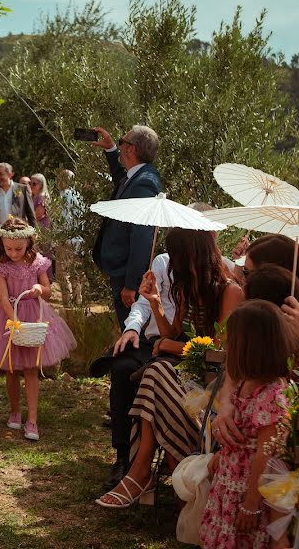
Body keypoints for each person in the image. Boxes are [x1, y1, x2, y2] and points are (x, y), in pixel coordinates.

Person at [96, 227, 243, 508]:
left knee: (153, 373)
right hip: (183, 373)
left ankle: (140, 473)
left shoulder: (229, 290)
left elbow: (218, 350)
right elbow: (172, 333)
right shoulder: (188, 286)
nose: (171, 263)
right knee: (154, 373)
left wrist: (172, 348)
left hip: (213, 382)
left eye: (176, 255)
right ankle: (142, 472)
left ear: (193, 254)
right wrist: (154, 302)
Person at [0, 218, 77, 441]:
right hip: (10, 317)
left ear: (28, 242)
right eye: (9, 249)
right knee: (11, 368)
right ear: (2, 246)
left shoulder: (37, 263)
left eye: (18, 248)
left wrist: (39, 288)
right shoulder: (1, 267)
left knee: (31, 368)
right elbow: (4, 298)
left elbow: (47, 291)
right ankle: (15, 410)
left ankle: (32, 420)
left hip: (35, 315)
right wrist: (15, 322)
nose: (14, 253)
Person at [200, 300, 293, 549]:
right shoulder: (244, 383)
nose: (225, 345)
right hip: (229, 483)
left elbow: (266, 454)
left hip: (248, 490)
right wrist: (223, 455)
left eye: (231, 340)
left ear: (250, 347)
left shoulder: (272, 395)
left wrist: (251, 504)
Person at [102, 252, 175, 489]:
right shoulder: (163, 262)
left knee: (156, 375)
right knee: (122, 368)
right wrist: (132, 328)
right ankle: (123, 456)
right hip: (152, 341)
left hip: (187, 346)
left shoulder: (218, 269)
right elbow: (142, 305)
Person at [91, 126, 162, 328]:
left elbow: (142, 235)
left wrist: (131, 284)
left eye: (122, 141)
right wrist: (112, 149)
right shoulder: (138, 177)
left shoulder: (144, 183)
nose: (120, 144)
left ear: (131, 149)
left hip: (126, 274)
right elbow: (121, 182)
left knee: (131, 331)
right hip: (121, 271)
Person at [54, 169, 85, 305]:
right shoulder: (79, 196)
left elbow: (60, 219)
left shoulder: (62, 196)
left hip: (65, 239)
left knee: (62, 273)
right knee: (76, 272)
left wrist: (55, 239)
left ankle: (67, 302)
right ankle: (78, 300)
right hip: (79, 239)